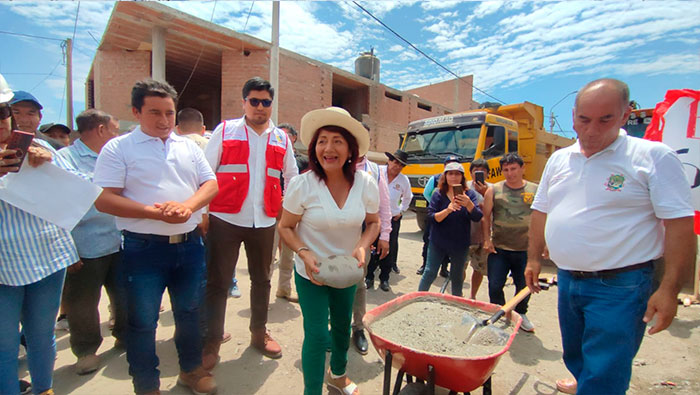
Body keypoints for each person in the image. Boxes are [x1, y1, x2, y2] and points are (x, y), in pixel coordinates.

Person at [525, 78, 695, 395]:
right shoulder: (560, 159)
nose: (591, 130)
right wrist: (534, 258)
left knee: (606, 370)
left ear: (624, 116)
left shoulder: (652, 157)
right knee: (575, 354)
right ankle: (584, 382)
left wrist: (670, 289)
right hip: (568, 280)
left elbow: (681, 226)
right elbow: (541, 211)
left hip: (621, 286)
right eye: (584, 120)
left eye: (605, 120)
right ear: (573, 115)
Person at [94, 79, 219, 395]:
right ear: (136, 112)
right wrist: (154, 212)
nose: (164, 121)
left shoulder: (188, 146)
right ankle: (147, 385)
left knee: (190, 314)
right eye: (154, 113)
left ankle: (191, 370)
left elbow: (211, 184)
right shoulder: (118, 148)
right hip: (143, 248)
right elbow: (104, 198)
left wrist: (186, 207)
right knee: (143, 322)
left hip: (189, 246)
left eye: (169, 113)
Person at [278, 106, 379, 395]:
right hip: (311, 272)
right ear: (314, 148)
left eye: (337, 140)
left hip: (348, 271)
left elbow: (373, 222)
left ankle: (338, 375)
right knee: (317, 334)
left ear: (350, 149)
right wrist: (304, 253)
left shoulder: (365, 183)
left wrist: (362, 246)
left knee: (342, 329)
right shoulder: (302, 184)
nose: (328, 148)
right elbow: (285, 227)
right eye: (322, 140)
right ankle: (312, 391)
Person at [202, 77, 298, 365]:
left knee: (262, 279)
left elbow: (291, 176)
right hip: (224, 218)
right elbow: (206, 173)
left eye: (265, 102)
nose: (260, 107)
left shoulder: (281, 138)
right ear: (243, 102)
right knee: (217, 283)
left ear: (271, 105)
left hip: (265, 220)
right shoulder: (225, 130)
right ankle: (212, 340)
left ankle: (259, 332)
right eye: (254, 101)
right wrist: (202, 214)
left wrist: (288, 214)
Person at [0, 73, 80, 395]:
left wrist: (52, 164)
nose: (3, 122)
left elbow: (77, 188)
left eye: (3, 113)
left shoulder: (39, 147)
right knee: (5, 343)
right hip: (4, 265)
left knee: (41, 334)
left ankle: (44, 389)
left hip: (47, 257)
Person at [57, 109, 126, 375]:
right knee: (82, 302)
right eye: (115, 129)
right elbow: (79, 193)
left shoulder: (113, 156)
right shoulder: (65, 159)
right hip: (84, 244)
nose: (117, 135)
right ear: (100, 130)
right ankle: (86, 350)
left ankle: (123, 335)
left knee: (124, 294)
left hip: (119, 238)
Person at [484, 153, 537, 332]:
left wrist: (542, 245)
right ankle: (500, 312)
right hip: (499, 248)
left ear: (522, 168)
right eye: (505, 169)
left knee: (524, 286)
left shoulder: (534, 190)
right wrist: (486, 239)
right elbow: (486, 217)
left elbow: (541, 218)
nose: (510, 173)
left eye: (513, 168)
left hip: (525, 249)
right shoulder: (494, 190)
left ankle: (521, 313)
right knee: (494, 284)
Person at [350, 134, 392, 355]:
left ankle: (358, 327)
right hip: (334, 236)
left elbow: (384, 205)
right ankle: (333, 327)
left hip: (362, 237)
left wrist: (384, 235)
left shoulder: (375, 171)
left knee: (358, 284)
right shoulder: (339, 162)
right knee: (331, 281)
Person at [418, 162, 482, 296]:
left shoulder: (469, 194)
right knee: (430, 272)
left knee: (457, 277)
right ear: (445, 176)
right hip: (438, 241)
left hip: (460, 243)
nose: (454, 177)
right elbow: (432, 217)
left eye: (457, 174)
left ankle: (456, 304)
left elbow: (477, 217)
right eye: (450, 174)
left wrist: (469, 204)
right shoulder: (438, 194)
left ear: (462, 177)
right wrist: (448, 210)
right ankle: (418, 298)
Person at [365, 149, 412, 291]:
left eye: (401, 165)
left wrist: (401, 210)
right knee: (371, 247)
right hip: (373, 217)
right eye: (395, 162)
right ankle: (369, 277)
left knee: (388, 248)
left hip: (392, 219)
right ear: (389, 161)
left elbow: (408, 197)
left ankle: (384, 278)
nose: (397, 166)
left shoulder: (404, 180)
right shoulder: (377, 172)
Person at [270, 123, 306, 303]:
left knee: (288, 255)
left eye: (285, 135)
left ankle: (283, 289)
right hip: (271, 212)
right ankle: (263, 295)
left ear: (293, 138)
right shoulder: (269, 156)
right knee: (269, 256)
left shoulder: (301, 160)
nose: (281, 138)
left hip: (291, 213)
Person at [416, 155, 459, 277]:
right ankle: (425, 265)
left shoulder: (459, 182)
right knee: (429, 240)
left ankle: (444, 268)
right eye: (449, 164)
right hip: (435, 215)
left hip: (450, 217)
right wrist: (436, 204)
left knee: (447, 243)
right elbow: (426, 193)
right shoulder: (435, 179)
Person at [465, 158, 493, 300]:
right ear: (470, 173)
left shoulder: (493, 189)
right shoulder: (464, 188)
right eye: (476, 171)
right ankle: (458, 294)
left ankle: (472, 296)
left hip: (484, 236)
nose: (479, 174)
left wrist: (484, 194)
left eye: (482, 171)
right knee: (460, 266)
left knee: (479, 268)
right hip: (466, 234)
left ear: (488, 173)